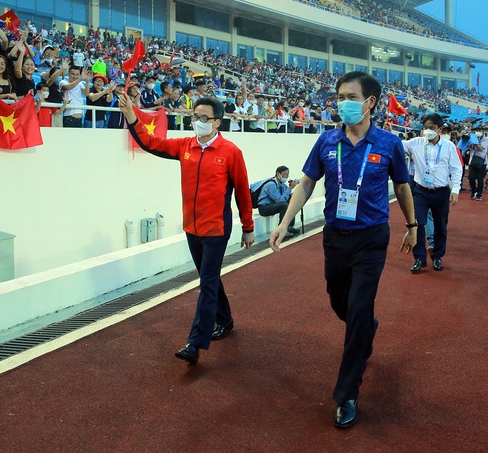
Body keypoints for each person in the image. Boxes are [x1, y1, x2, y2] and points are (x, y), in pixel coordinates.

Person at [269, 71, 416, 428]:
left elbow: (402, 186)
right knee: (340, 301)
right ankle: (365, 326)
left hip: (371, 238)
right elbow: (305, 184)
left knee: (360, 305)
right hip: (335, 236)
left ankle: (347, 392)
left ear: (370, 103)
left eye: (350, 96)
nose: (342, 103)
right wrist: (285, 221)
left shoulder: (388, 144)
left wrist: (413, 227)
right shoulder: (325, 142)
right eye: (339, 96)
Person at [117, 94, 255, 365]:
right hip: (192, 227)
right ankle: (225, 320)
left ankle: (195, 342)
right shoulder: (185, 146)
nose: (198, 122)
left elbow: (242, 191)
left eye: (204, 118)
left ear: (217, 122)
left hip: (216, 228)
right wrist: (132, 117)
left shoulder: (230, 152)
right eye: (195, 117)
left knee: (206, 283)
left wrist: (247, 227)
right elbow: (152, 143)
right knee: (210, 278)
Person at [400, 114, 462, 273]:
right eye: (426, 127)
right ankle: (419, 258)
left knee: (441, 226)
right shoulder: (416, 143)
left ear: (440, 129)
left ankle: (437, 257)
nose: (428, 131)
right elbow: (398, 145)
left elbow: (456, 169)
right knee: (418, 223)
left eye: (432, 128)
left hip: (441, 192)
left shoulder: (449, 146)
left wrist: (455, 190)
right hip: (421, 191)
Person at [254, 166, 301, 237]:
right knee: (284, 205)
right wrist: (290, 188)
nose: (286, 176)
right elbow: (280, 200)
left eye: (287, 174)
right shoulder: (271, 184)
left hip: (272, 205)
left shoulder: (281, 184)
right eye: (284, 174)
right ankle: (281, 229)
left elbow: (287, 195)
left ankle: (289, 227)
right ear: (278, 174)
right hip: (264, 208)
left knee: (291, 201)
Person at [467, 126, 488, 201]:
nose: (478, 132)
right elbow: (468, 147)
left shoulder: (485, 139)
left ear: (483, 132)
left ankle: (479, 194)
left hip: (481, 161)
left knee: (480, 179)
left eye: (480, 130)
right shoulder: (473, 138)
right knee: (471, 178)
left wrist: (474, 142)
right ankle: (473, 191)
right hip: (472, 160)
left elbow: (481, 148)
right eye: (477, 130)